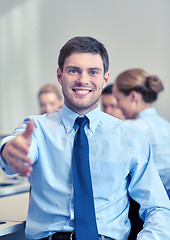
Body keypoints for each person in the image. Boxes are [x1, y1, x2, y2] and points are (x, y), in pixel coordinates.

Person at [0, 37, 170, 240]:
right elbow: (14, 152)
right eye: (74, 70)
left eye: (93, 72)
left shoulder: (130, 137)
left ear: (105, 79)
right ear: (60, 75)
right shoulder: (37, 128)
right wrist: (9, 151)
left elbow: (158, 208)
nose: (83, 79)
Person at [113, 68, 170, 239]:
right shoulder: (166, 126)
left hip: (141, 215)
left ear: (133, 96)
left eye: (117, 99)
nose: (117, 106)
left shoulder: (130, 130)